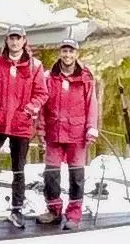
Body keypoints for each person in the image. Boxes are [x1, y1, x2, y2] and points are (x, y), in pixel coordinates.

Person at [0, 25, 48, 229]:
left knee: (18, 168)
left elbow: (42, 93)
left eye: (18, 38)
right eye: (11, 38)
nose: (14, 42)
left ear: (24, 40)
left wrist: (30, 109)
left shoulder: (35, 66)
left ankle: (17, 207)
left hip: (21, 125)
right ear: (6, 40)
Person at [37, 39, 98, 231]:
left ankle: (74, 214)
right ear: (60, 53)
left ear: (76, 54)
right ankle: (54, 211)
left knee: (76, 176)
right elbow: (42, 105)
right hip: (54, 133)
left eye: (71, 52)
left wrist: (91, 127)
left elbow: (92, 104)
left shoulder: (86, 77)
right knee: (51, 175)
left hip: (77, 134)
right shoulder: (49, 77)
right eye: (64, 51)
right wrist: (40, 129)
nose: (67, 55)